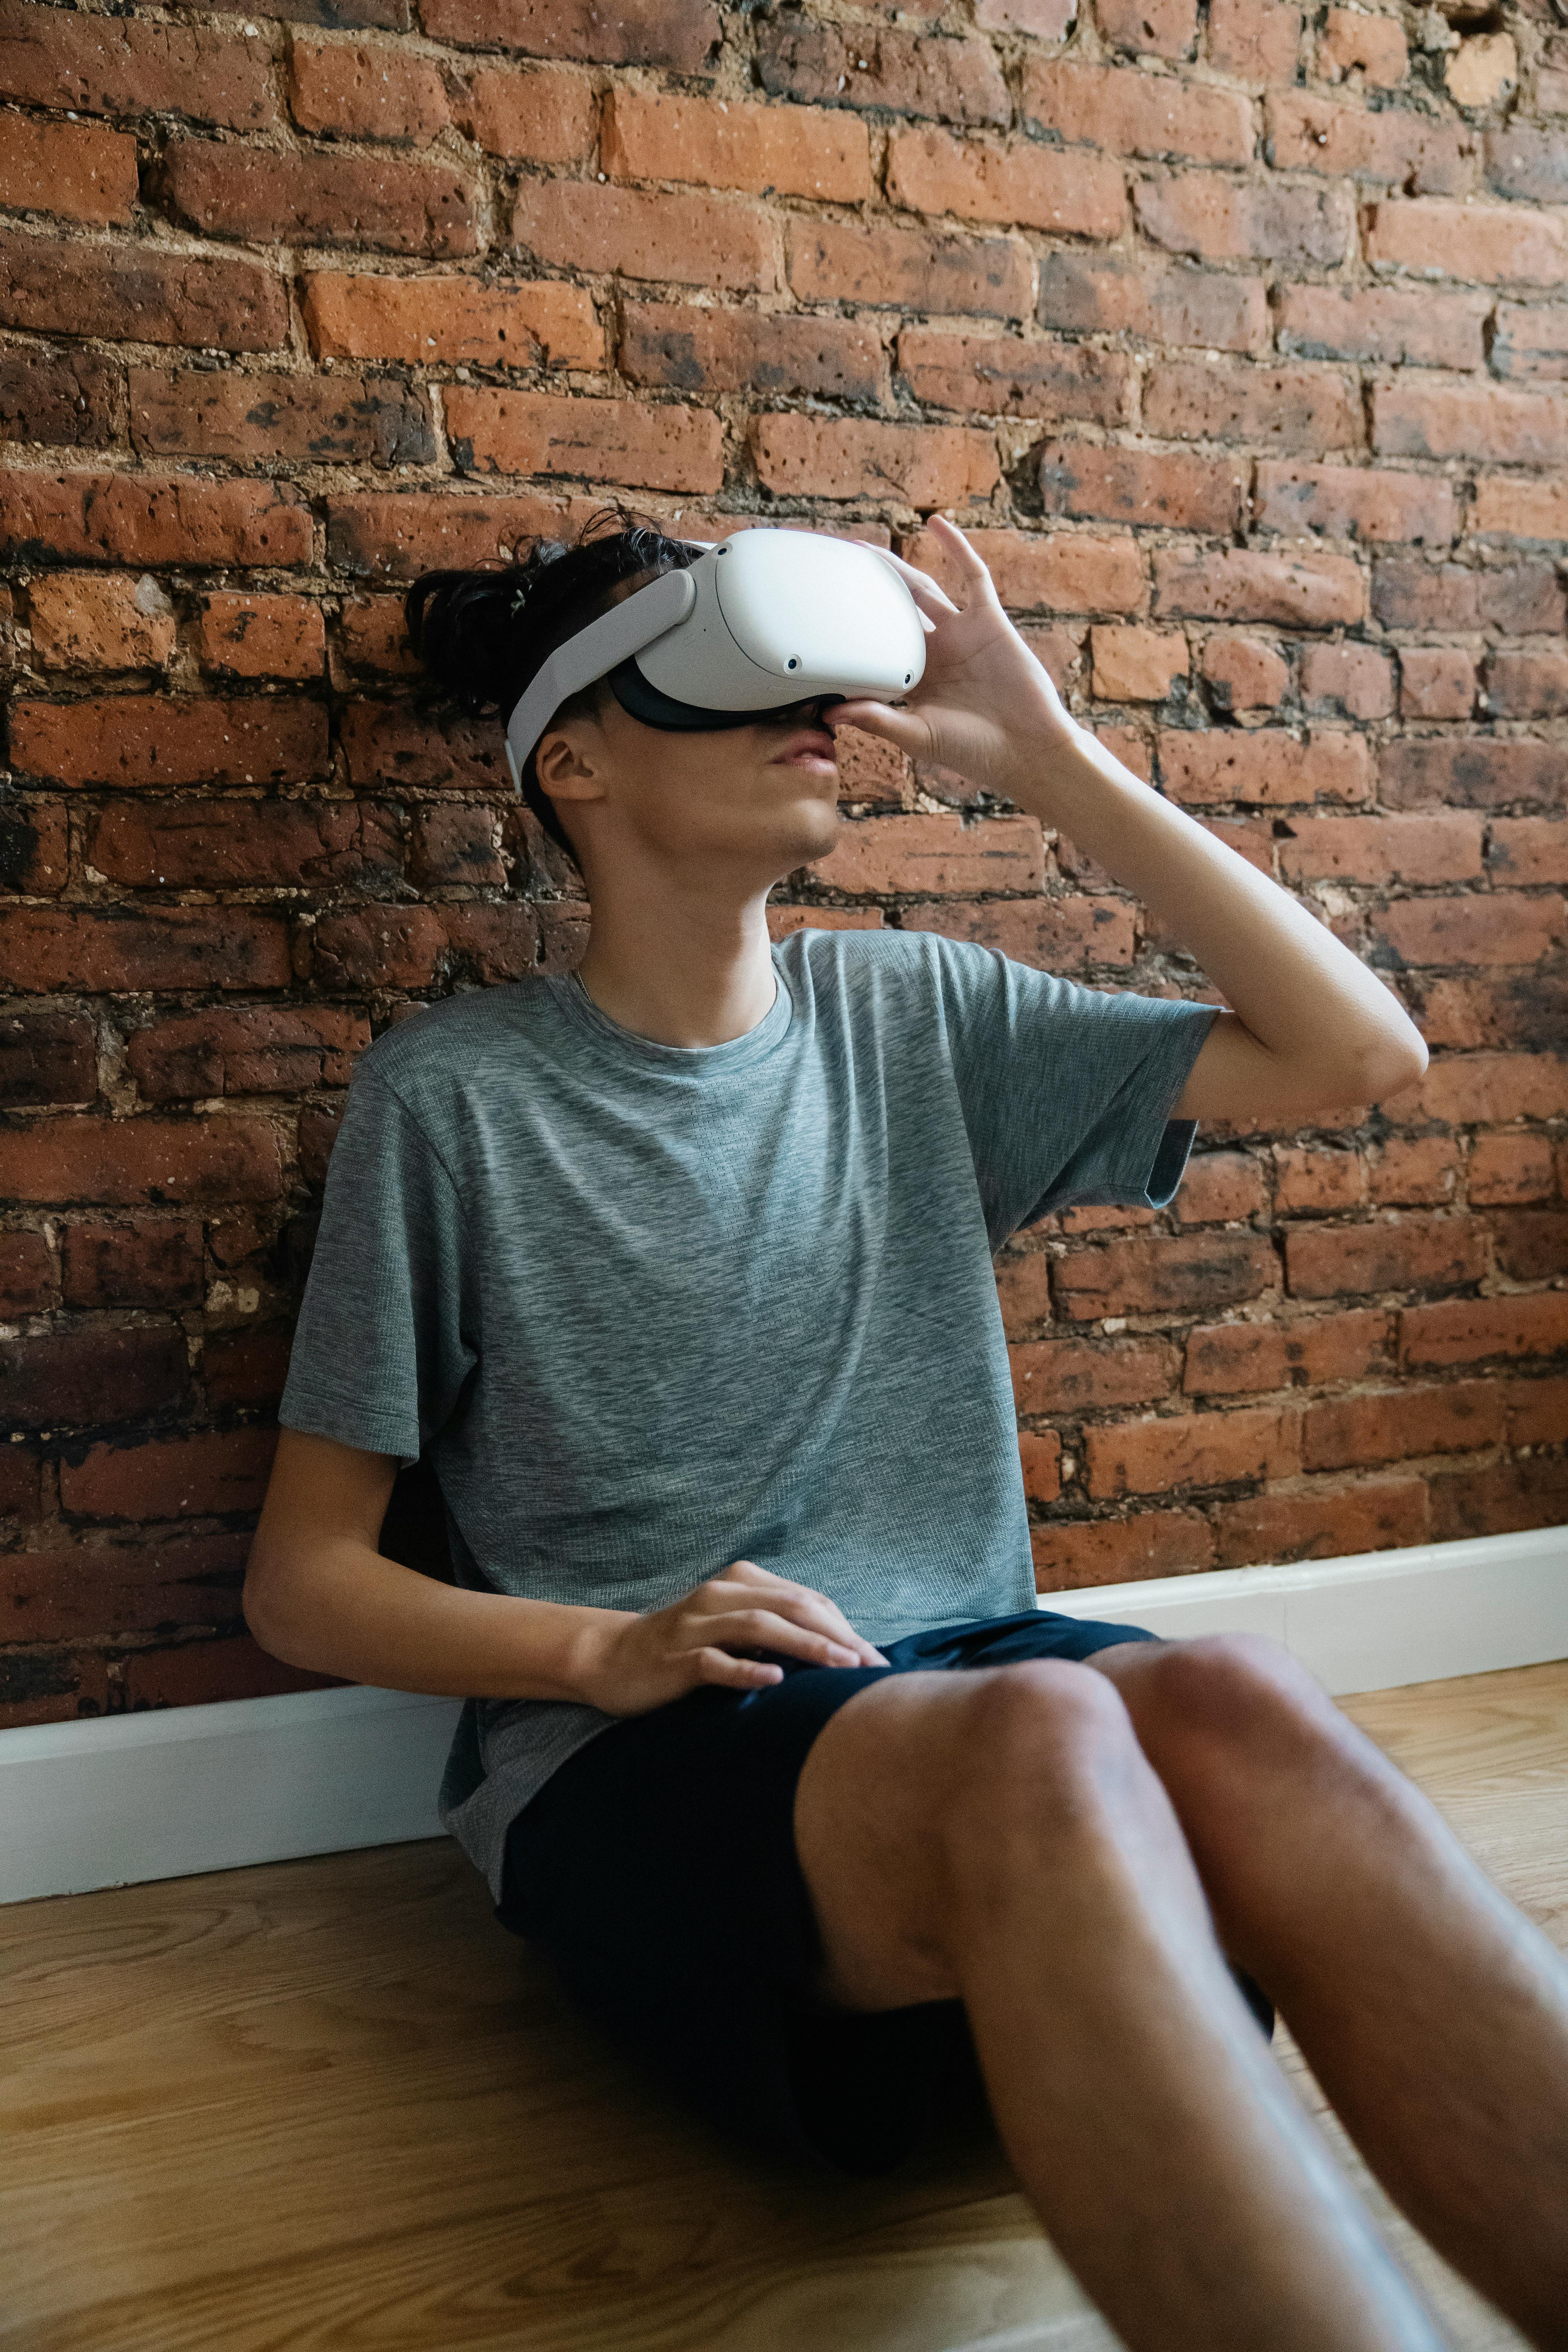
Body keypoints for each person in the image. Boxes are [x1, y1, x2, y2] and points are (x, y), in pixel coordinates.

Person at [244, 502, 1568, 2352]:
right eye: (718, 680)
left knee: (1239, 1697)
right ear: (576, 760)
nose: (814, 716)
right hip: (663, 1742)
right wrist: (600, 1647)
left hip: (993, 1713)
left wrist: (1048, 756)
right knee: (1041, 1725)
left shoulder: (912, 1011)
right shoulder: (454, 1099)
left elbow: (1359, 1055)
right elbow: (304, 1585)